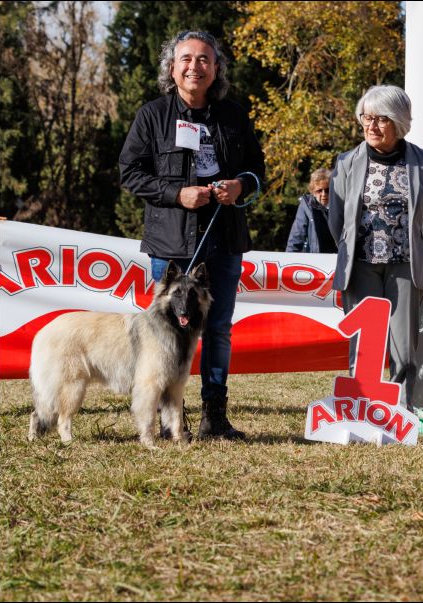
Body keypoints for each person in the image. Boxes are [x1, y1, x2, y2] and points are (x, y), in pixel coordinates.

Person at [119, 31, 265, 441]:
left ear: (216, 69)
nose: (195, 66)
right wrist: (175, 193)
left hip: (223, 239)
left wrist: (240, 187)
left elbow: (257, 171)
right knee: (166, 331)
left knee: (218, 329)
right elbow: (129, 173)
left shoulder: (234, 115)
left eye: (204, 60)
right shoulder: (151, 116)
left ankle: (214, 418)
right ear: (172, 67)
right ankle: (168, 421)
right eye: (186, 59)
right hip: (171, 247)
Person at [328, 85, 423, 410]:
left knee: (404, 346)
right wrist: (355, 248)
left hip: (405, 265)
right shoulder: (347, 162)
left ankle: (401, 412)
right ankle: (360, 407)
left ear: (399, 122)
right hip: (361, 264)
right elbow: (338, 222)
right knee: (363, 345)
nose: (371, 126)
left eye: (380, 120)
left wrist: (410, 248)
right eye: (366, 118)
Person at [285, 168, 337, 253]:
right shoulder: (306, 205)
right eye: (319, 191)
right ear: (312, 191)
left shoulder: (340, 205)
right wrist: (288, 260)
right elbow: (296, 237)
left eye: (327, 190)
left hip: (337, 257)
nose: (324, 194)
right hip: (315, 258)